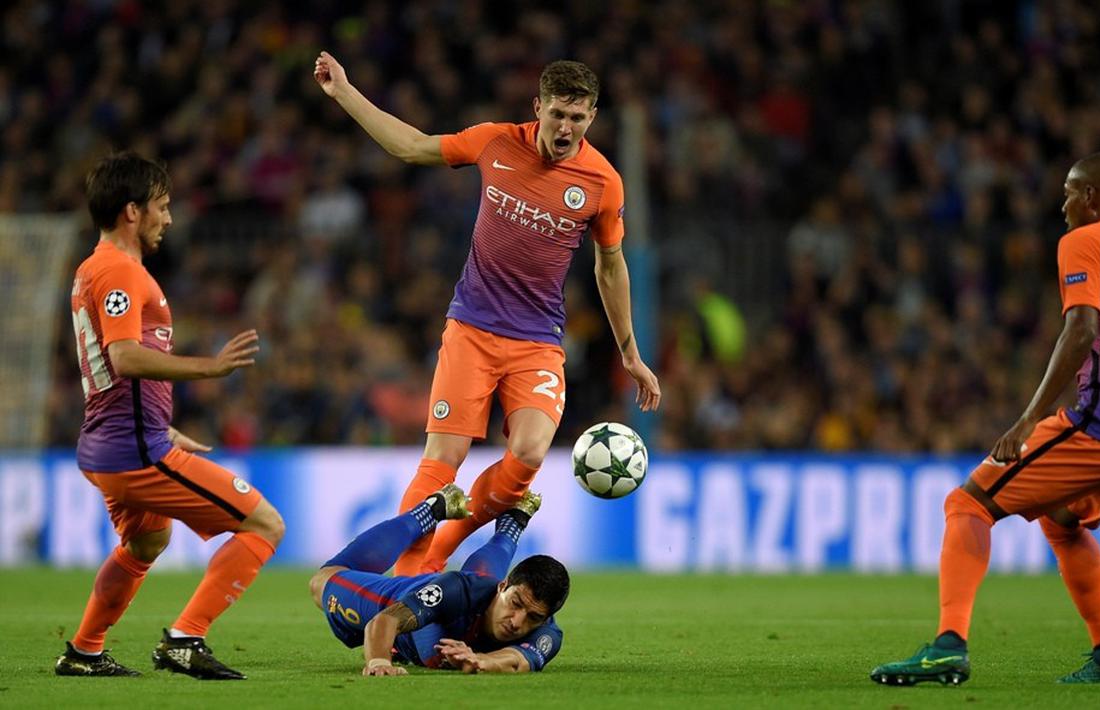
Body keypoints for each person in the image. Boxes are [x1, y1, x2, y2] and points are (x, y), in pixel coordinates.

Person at [871, 151, 1100, 686]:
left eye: (1070, 192)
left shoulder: (1083, 241)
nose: (1063, 204)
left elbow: (1080, 330)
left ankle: (947, 646)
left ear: (1094, 197)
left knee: (968, 502)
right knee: (1061, 520)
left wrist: (1029, 419)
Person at [313, 52, 661, 576]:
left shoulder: (602, 183)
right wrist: (343, 92)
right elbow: (411, 147)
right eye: (558, 114)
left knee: (529, 452)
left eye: (579, 117)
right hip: (471, 331)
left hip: (538, 342)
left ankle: (440, 546)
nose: (566, 127)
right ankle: (403, 588)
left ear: (592, 118)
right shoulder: (495, 141)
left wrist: (630, 353)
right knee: (442, 461)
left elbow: (610, 268)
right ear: (537, 107)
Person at [55, 152, 285, 680]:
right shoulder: (117, 270)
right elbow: (125, 358)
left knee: (147, 541)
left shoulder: (99, 269)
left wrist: (159, 421)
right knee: (265, 524)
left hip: (114, 440)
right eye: (162, 206)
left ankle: (85, 651)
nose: (169, 218)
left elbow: (109, 371)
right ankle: (186, 639)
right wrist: (211, 368)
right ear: (132, 212)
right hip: (133, 452)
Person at [308, 484, 567, 675]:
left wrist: (480, 660)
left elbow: (517, 660)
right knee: (321, 581)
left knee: (480, 579)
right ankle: (428, 511)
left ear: (545, 618)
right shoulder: (456, 589)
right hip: (402, 598)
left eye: (533, 617)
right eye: (516, 603)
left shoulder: (548, 634)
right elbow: (385, 620)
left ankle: (513, 522)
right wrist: (378, 662)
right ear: (504, 587)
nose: (517, 622)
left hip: (470, 599)